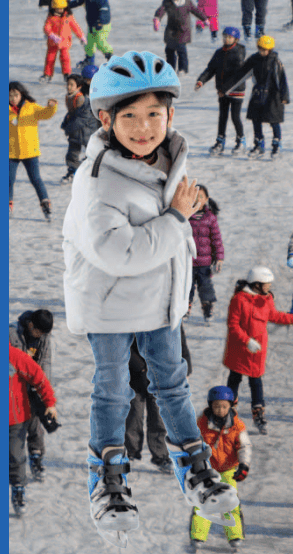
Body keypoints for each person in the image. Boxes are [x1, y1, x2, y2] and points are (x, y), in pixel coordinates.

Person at [61, 51, 239, 545]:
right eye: (130, 117)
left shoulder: (169, 157)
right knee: (114, 387)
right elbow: (120, 251)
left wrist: (184, 219)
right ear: (106, 120)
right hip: (109, 302)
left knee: (173, 382)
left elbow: (165, 230)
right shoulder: (96, 181)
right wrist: (178, 217)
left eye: (153, 114)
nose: (144, 128)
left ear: (170, 114)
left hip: (158, 300)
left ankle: (193, 464)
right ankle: (107, 477)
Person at [223, 266, 293, 435]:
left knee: (256, 381)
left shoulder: (266, 299)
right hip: (239, 348)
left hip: (257, 350)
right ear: (256, 284)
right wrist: (247, 341)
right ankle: (228, 410)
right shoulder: (239, 299)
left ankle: (258, 413)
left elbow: (274, 316)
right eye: (267, 283)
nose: (269, 286)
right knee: (234, 378)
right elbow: (233, 325)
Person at [190, 386, 252, 551]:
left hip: (229, 469)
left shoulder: (237, 425)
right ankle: (197, 536)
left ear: (231, 406)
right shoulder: (201, 423)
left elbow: (244, 446)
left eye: (224, 406)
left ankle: (235, 536)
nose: (220, 410)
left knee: (230, 502)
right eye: (216, 406)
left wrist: (244, 465)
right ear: (210, 405)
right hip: (207, 470)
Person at [125, 332, 192, 473]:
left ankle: (160, 456)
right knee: (133, 416)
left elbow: (180, 343)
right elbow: (125, 345)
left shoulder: (170, 321)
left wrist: (186, 366)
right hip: (135, 377)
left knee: (158, 418)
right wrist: (140, 366)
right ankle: (130, 452)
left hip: (161, 377)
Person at [8, 343, 57, 513]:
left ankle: (18, 487)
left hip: (14, 419)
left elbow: (38, 376)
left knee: (15, 456)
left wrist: (50, 403)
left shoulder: (14, 356)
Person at [8, 310, 55, 482]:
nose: (41, 336)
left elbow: (45, 361)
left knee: (36, 426)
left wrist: (42, 387)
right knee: (17, 432)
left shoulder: (44, 337)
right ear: (30, 325)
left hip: (33, 385)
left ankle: (36, 458)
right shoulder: (11, 334)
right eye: (39, 332)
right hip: (15, 389)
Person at [225, 35, 290, 159]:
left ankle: (276, 144)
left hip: (273, 96)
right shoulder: (254, 59)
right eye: (260, 49)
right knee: (256, 119)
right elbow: (242, 73)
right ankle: (259, 144)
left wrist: (284, 96)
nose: (262, 52)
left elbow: (282, 80)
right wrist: (227, 88)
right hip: (258, 93)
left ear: (270, 49)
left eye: (264, 50)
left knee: (274, 121)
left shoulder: (276, 62)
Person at [196, 26, 248, 156]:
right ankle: (220, 142)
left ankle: (241, 140)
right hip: (222, 90)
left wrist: (224, 90)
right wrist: (201, 80)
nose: (226, 39)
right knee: (222, 116)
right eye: (224, 36)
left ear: (236, 39)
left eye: (229, 37)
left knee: (235, 116)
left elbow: (237, 76)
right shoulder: (219, 53)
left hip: (236, 90)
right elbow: (211, 69)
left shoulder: (238, 53)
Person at [9, 81, 57, 220]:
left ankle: (45, 203)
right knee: (8, 179)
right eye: (10, 96)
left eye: (16, 95)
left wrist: (51, 107)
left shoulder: (31, 107)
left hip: (30, 151)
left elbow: (45, 114)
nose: (13, 98)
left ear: (22, 94)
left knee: (36, 179)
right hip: (11, 152)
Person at [153, 0, 208, 74]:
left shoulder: (187, 2)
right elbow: (161, 10)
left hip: (183, 30)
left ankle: (183, 69)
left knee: (181, 50)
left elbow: (196, 11)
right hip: (171, 30)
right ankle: (170, 68)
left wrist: (204, 19)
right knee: (169, 50)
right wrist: (157, 18)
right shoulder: (167, 2)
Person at [188, 185, 224, 324]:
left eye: (201, 196)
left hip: (204, 262)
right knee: (187, 287)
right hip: (188, 262)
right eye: (194, 196)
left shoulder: (210, 218)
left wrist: (219, 258)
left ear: (206, 199)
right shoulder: (185, 216)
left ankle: (207, 308)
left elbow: (216, 239)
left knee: (206, 287)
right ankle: (185, 308)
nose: (197, 199)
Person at [60, 73, 101, 184]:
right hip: (76, 131)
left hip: (87, 131)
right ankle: (72, 171)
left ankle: (97, 173)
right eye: (68, 84)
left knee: (92, 153)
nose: (68, 87)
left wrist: (69, 128)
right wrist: (65, 122)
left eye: (71, 85)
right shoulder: (70, 97)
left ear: (79, 87)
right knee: (72, 154)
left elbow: (82, 118)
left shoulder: (81, 99)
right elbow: (72, 114)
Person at [68, 0, 113, 68]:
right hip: (92, 24)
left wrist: (100, 21)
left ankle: (111, 58)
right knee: (90, 44)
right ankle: (89, 60)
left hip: (102, 24)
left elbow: (104, 9)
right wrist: (67, 6)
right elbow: (79, 1)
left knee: (100, 42)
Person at [41, 0, 86, 83]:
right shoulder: (51, 17)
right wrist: (52, 35)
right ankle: (47, 74)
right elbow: (46, 27)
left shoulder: (68, 16)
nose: (60, 10)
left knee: (65, 58)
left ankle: (67, 74)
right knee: (50, 58)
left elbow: (75, 27)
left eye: (62, 8)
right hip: (53, 42)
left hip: (64, 42)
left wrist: (81, 37)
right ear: (54, 8)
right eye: (58, 8)